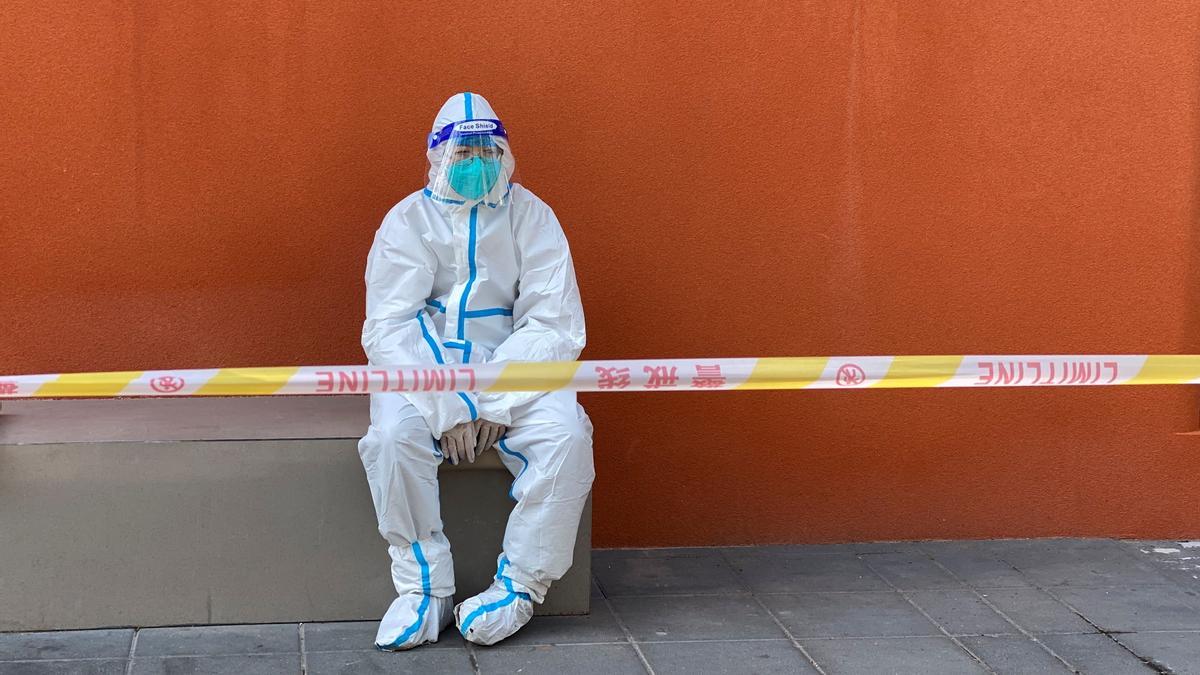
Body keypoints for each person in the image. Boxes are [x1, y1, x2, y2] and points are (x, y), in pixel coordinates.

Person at [357, 92, 594, 650]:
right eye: (460, 153)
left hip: (516, 370)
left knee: (568, 437)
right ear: (436, 158)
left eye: (485, 151)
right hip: (420, 374)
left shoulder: (533, 217)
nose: (474, 163)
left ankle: (520, 586)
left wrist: (490, 399)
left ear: (506, 154)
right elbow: (391, 327)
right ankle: (423, 589)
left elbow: (555, 322)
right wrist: (452, 405)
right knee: (391, 439)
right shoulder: (406, 222)